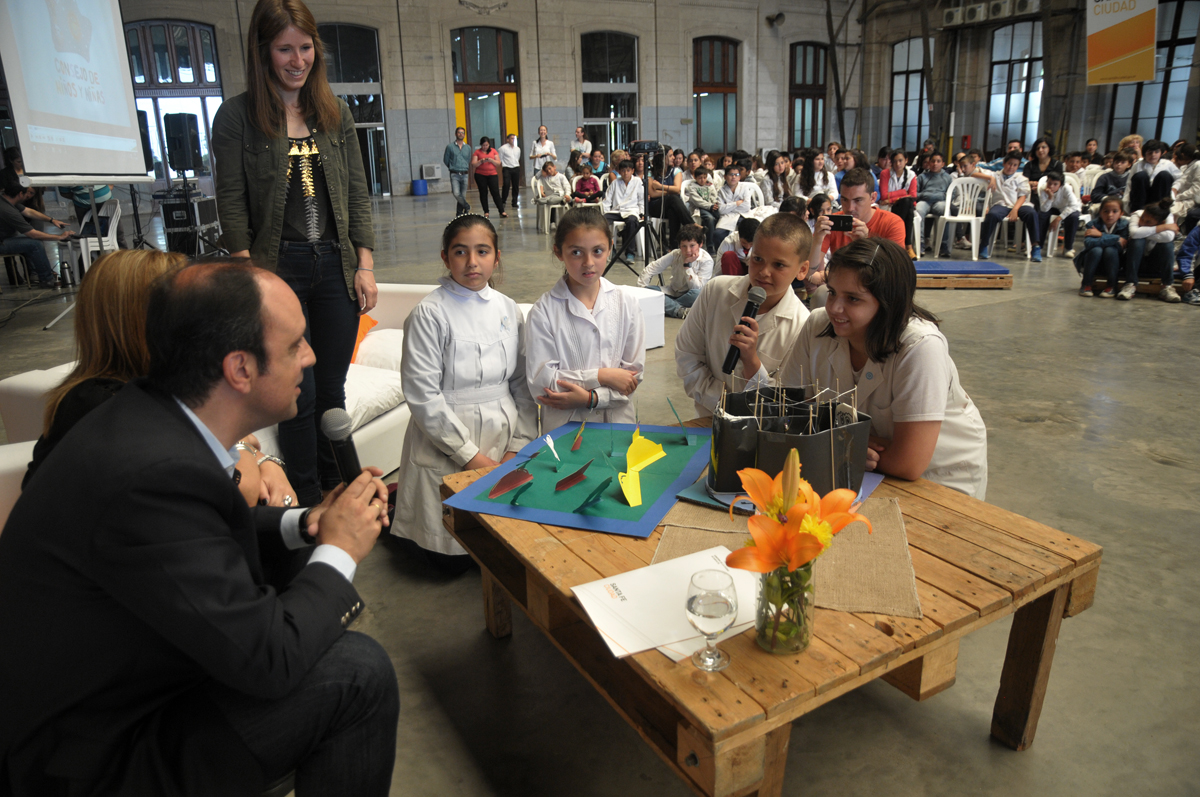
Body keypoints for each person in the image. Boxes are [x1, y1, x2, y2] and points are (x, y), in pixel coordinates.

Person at [0, 258, 398, 796]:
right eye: (294, 345)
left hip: (129, 683)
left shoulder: (152, 416)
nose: (311, 357)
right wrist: (342, 547)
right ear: (239, 369)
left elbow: (194, 537)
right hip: (94, 756)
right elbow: (270, 660)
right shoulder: (152, 473)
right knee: (357, 672)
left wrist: (304, 523)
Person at [212, 0, 377, 508]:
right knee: (298, 395)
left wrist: (364, 264)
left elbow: (355, 191)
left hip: (335, 265)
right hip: (276, 268)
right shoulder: (237, 116)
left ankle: (338, 487)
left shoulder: (335, 113)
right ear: (263, 51)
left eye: (305, 48)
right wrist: (247, 279)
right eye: (285, 48)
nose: (297, 59)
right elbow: (232, 200)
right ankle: (306, 504)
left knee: (331, 388)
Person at [21, 247, 298, 504]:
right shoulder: (101, 404)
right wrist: (243, 444)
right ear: (147, 319)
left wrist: (264, 460)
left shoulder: (150, 391)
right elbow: (241, 491)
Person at [779, 238, 988, 499]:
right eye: (832, 292)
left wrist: (829, 440)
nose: (834, 307)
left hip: (937, 475)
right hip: (856, 466)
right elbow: (787, 407)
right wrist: (844, 444)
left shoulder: (921, 347)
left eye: (853, 299)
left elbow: (908, 463)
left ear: (889, 303)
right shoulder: (817, 326)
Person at [392, 215, 537, 567]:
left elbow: (521, 382)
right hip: (447, 434)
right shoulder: (430, 313)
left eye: (482, 251)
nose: (472, 262)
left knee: (504, 540)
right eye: (460, 252)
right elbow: (423, 396)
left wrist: (516, 448)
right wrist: (472, 457)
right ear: (445, 258)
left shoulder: (507, 308)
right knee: (448, 553)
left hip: (503, 432)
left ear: (496, 257)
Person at [674, 213, 812, 416]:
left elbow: (786, 398)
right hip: (709, 418)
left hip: (764, 431)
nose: (764, 272)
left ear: (802, 270)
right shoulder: (715, 292)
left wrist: (752, 361)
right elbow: (687, 355)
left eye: (779, 265)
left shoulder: (803, 325)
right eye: (757, 259)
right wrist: (722, 403)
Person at [527, 208, 645, 433]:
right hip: (564, 430)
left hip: (619, 425)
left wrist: (591, 398)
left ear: (610, 248)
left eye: (598, 251)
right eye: (576, 252)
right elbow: (542, 384)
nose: (588, 262)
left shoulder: (626, 303)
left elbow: (632, 378)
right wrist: (602, 376)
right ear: (559, 252)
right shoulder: (544, 311)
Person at [808, 167, 906, 287]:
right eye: (844, 200)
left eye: (858, 200)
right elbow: (809, 272)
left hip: (878, 289)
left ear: (873, 198)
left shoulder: (892, 223)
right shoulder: (833, 222)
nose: (850, 208)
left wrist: (865, 243)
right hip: (842, 287)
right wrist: (817, 240)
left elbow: (895, 272)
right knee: (821, 294)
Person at [0, 171, 73, 288]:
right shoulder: (8, 211)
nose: (27, 196)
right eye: (27, 193)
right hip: (2, 242)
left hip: (5, 237)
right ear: (20, 194)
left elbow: (28, 211)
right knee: (34, 244)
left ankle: (41, 274)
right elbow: (32, 234)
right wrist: (59, 237)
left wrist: (51, 220)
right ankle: (47, 279)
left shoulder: (5, 199)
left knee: (31, 242)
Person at [637, 224, 713, 318]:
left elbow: (696, 287)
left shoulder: (706, 260)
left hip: (690, 296)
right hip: (672, 292)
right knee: (647, 291)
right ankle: (678, 309)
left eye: (692, 246)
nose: (688, 250)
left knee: (698, 294)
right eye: (684, 246)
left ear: (700, 244)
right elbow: (653, 267)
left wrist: (687, 266)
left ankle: (665, 306)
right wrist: (641, 288)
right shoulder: (676, 254)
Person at [977, 152, 1042, 262]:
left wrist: (1015, 209)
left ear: (1018, 166)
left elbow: (1023, 196)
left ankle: (1035, 247)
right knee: (992, 215)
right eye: (1009, 164)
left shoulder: (1021, 178)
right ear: (1004, 163)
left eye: (1015, 165)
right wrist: (990, 178)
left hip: (1019, 205)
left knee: (1031, 213)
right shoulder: (995, 175)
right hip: (1001, 205)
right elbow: (973, 172)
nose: (1011, 167)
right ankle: (983, 245)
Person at [1119, 198, 1180, 302]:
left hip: (1155, 264)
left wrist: (1143, 233)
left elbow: (1169, 237)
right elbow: (1134, 233)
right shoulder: (1137, 214)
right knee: (1137, 241)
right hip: (1135, 263)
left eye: (1148, 221)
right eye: (1142, 218)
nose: (1142, 222)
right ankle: (1130, 284)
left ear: (1161, 222)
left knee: (1167, 244)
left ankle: (1167, 286)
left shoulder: (1167, 216)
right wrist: (1162, 228)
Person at [1077, 196, 1128, 298]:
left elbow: (1121, 245)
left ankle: (1112, 286)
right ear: (1100, 212)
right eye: (1106, 211)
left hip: (1114, 263)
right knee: (1096, 250)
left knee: (1110, 250)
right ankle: (1086, 284)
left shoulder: (1124, 225)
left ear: (1121, 213)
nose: (1110, 215)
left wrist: (1100, 235)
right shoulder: (1093, 224)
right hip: (1093, 261)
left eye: (1115, 211)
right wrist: (1116, 238)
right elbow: (1089, 243)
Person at [60, 183, 130, 250]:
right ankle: (98, 258)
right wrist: (83, 198)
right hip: (84, 207)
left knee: (118, 235)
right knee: (91, 238)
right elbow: (64, 192)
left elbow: (111, 177)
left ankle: (126, 258)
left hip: (107, 203)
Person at [878, 149, 919, 259]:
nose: (898, 164)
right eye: (895, 161)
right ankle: (908, 246)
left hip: (902, 206)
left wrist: (893, 198)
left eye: (900, 160)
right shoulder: (885, 173)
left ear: (906, 160)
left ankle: (900, 245)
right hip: (889, 208)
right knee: (907, 204)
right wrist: (903, 193)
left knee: (907, 204)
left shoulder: (911, 175)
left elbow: (913, 196)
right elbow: (883, 196)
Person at [646, 151, 693, 246]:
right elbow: (653, 193)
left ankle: (673, 246)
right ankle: (692, 225)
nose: (673, 158)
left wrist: (660, 186)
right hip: (656, 206)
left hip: (671, 206)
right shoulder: (650, 173)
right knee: (673, 198)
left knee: (673, 210)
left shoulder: (676, 171)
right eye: (670, 156)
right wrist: (670, 191)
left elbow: (677, 189)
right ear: (662, 158)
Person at [1034, 171, 1082, 259]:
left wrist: (1058, 219)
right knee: (1041, 215)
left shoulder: (1066, 188)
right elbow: (1044, 209)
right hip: (1052, 207)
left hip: (1067, 207)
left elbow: (1073, 205)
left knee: (1073, 217)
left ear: (1061, 185)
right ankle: (1038, 246)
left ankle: (1068, 247)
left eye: (1055, 184)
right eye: (1049, 183)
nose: (1051, 186)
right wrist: (1050, 198)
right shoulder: (1043, 188)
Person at [601, 158, 643, 256]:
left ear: (632, 171)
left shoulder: (637, 181)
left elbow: (642, 199)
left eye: (628, 171)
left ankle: (630, 252)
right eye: (623, 171)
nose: (625, 173)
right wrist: (606, 212)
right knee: (602, 221)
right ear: (619, 171)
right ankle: (611, 248)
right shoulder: (615, 183)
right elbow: (607, 200)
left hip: (631, 211)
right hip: (616, 211)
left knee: (632, 222)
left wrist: (642, 213)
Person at [915, 151, 954, 257]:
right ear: (929, 163)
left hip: (940, 202)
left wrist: (940, 197)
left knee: (946, 210)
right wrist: (924, 195)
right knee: (918, 210)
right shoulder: (922, 177)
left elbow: (952, 194)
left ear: (943, 164)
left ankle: (943, 245)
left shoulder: (947, 178)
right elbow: (915, 193)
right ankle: (921, 243)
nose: (935, 164)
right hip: (925, 201)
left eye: (938, 161)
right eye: (933, 161)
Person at [1125, 139, 1181, 211]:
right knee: (1141, 176)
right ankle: (1138, 210)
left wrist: (1175, 188)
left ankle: (1160, 210)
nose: (1153, 155)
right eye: (1150, 153)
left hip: (1160, 197)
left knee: (1164, 175)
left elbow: (1180, 178)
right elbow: (1129, 184)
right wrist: (1125, 203)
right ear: (1144, 153)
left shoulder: (1168, 164)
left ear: (1161, 153)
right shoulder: (1137, 165)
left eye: (1156, 152)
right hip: (1141, 198)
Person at [711, 164, 754, 250]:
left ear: (739, 177)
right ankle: (721, 256)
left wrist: (728, 206)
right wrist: (737, 203)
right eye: (731, 174)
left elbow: (746, 206)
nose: (733, 177)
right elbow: (721, 210)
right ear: (725, 176)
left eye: (736, 175)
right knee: (717, 234)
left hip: (743, 215)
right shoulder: (721, 190)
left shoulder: (744, 188)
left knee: (746, 232)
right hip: (727, 217)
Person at [469, 136, 504, 218]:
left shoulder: (494, 151)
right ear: (481, 145)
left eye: (487, 145)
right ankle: (486, 211)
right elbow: (473, 164)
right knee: (483, 193)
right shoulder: (477, 152)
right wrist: (481, 161)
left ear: (489, 145)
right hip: (480, 175)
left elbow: (498, 163)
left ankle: (501, 210)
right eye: (483, 145)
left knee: (495, 192)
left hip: (492, 174)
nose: (485, 147)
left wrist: (491, 160)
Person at [685, 165, 720, 244]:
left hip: (711, 207)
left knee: (720, 216)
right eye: (700, 178)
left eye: (704, 177)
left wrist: (715, 204)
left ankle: (717, 241)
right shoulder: (692, 187)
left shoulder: (709, 185)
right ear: (695, 177)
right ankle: (710, 245)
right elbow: (697, 201)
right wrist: (710, 206)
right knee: (710, 219)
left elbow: (714, 196)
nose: (702, 180)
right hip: (699, 209)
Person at [443, 126, 472, 216]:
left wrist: (464, 166)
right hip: (454, 174)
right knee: (456, 193)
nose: (461, 134)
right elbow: (446, 160)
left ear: (464, 135)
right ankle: (466, 206)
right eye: (459, 132)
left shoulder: (468, 147)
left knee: (462, 195)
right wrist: (453, 166)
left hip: (465, 174)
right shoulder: (450, 147)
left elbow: (468, 159)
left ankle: (459, 214)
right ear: (456, 134)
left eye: (462, 133)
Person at [1172, 143, 1200, 234]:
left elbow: (1196, 189)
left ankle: (1173, 234)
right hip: (1182, 197)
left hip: (1191, 200)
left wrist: (1178, 197)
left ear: (1183, 155)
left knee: (1170, 210)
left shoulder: (1198, 165)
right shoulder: (1187, 165)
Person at [1175, 224, 1200, 304]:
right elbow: (1186, 253)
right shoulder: (1198, 231)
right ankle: (1194, 292)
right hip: (1196, 269)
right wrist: (1188, 274)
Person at [499, 132, 522, 210]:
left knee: (515, 186)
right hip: (507, 168)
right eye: (511, 138)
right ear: (508, 139)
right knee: (506, 184)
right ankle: (503, 200)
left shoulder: (517, 149)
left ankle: (514, 202)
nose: (513, 140)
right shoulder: (503, 148)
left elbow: (517, 158)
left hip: (516, 167)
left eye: (514, 138)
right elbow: (500, 159)